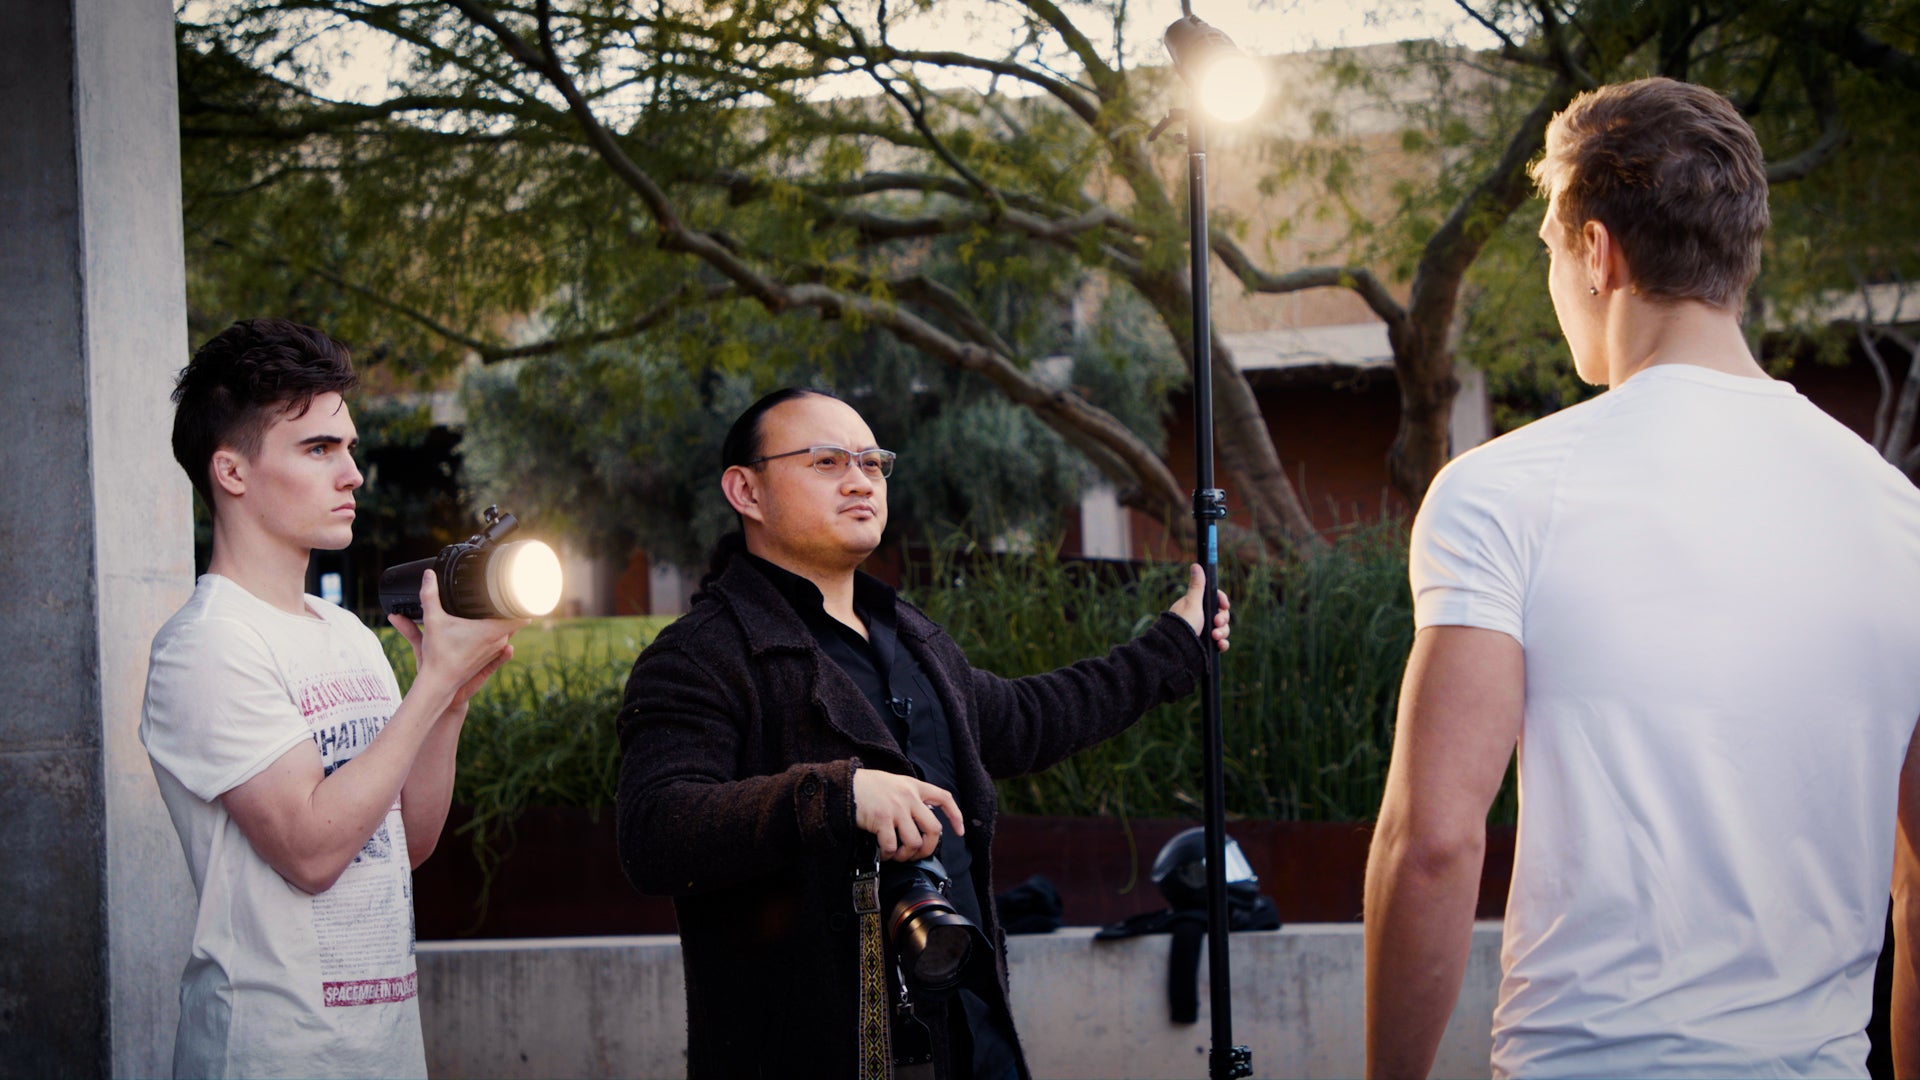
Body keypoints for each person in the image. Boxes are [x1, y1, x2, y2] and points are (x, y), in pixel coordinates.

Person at [1362, 76, 1920, 1078]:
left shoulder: (1502, 492)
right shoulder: (1900, 519)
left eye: (1546, 250)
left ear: (1595, 251)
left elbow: (1436, 843)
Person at [615, 387, 1232, 1079]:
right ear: (745, 490)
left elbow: (1031, 719)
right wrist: (840, 797)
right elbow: (655, 831)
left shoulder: (911, 638)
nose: (860, 479)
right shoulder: (702, 654)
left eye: (874, 463)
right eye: (825, 461)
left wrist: (1172, 646)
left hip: (972, 1035)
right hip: (819, 1055)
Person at [141, 318, 526, 1078]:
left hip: (383, 1050)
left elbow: (401, 843)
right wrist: (435, 683)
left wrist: (447, 701)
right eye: (318, 449)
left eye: (348, 447)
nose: (352, 473)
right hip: (270, 1054)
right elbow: (312, 852)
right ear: (232, 471)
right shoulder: (208, 643)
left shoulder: (346, 633)